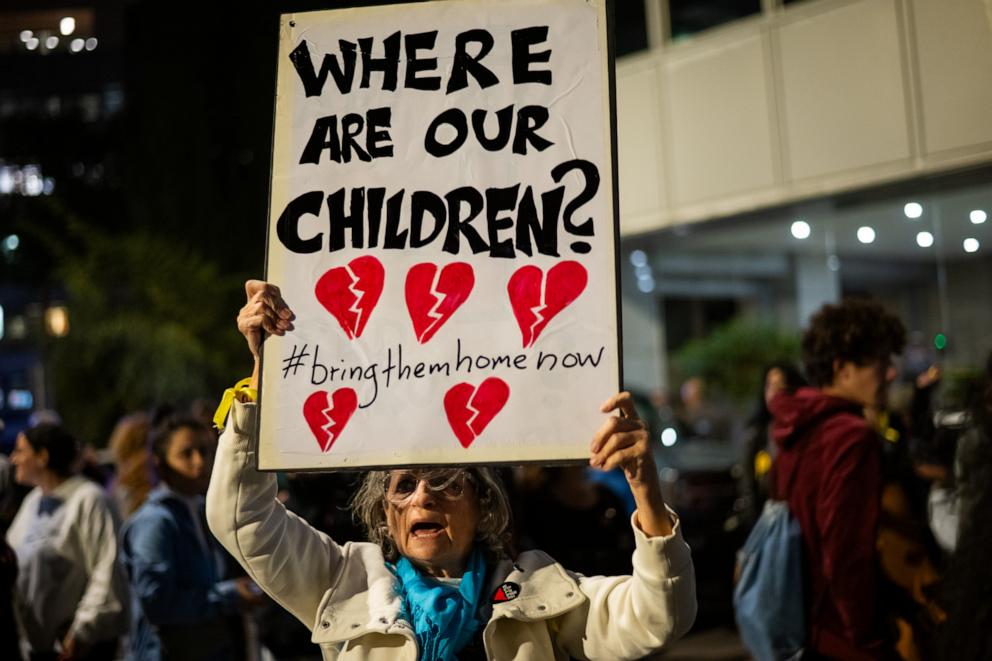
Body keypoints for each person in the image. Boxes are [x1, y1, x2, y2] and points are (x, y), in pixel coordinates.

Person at [206, 280, 697, 660]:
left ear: (483, 502)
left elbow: (660, 616)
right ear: (384, 512)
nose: (423, 497)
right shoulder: (344, 581)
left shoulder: (541, 591)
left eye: (445, 481)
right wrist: (263, 380)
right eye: (404, 486)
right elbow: (240, 518)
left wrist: (645, 491)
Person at [768, 298, 906, 660]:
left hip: (803, 625)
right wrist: (867, 637)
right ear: (842, 368)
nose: (890, 373)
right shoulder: (851, 435)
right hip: (845, 636)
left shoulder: (795, 429)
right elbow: (845, 549)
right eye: (880, 362)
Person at [120, 413, 263, 661]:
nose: (200, 462)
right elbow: (158, 603)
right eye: (186, 454)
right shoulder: (154, 522)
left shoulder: (202, 508)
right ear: (161, 463)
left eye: (205, 451)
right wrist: (229, 596)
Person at [6, 423, 129, 661]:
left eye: (20, 451)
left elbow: (107, 570)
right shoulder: (34, 501)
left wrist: (83, 632)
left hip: (79, 648)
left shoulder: (90, 499)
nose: (13, 459)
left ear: (42, 457)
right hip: (39, 649)